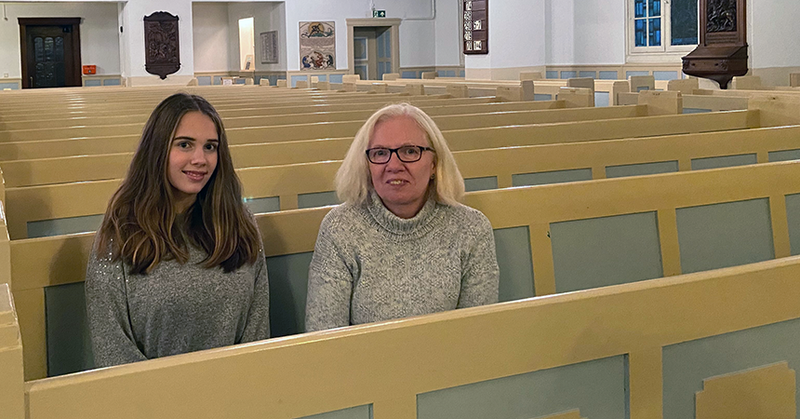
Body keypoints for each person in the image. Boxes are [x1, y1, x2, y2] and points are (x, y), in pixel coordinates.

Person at [85, 93, 269, 367]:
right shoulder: (122, 229)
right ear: (158, 149)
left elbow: (257, 324)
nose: (200, 159)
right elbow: (112, 346)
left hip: (236, 394)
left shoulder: (238, 221)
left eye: (210, 147)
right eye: (185, 145)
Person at [305, 103, 499, 332]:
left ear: (434, 164)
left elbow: (477, 333)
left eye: (409, 151)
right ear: (366, 165)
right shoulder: (340, 228)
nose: (394, 165)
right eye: (380, 153)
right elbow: (325, 335)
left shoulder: (472, 228)